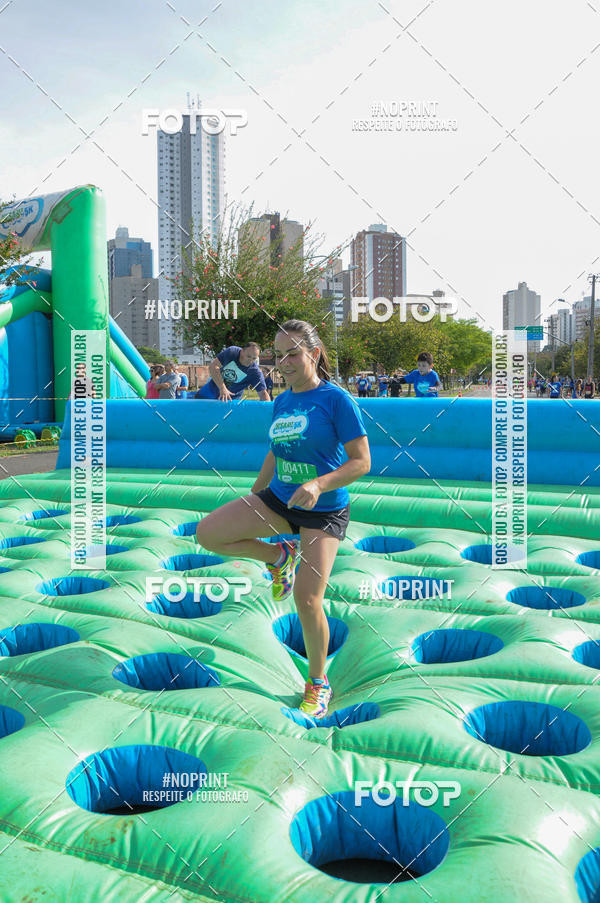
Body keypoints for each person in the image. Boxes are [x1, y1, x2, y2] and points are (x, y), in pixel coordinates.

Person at [195, 319, 371, 719]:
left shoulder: (336, 400)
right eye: (278, 355)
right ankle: (279, 557)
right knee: (208, 533)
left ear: (314, 353)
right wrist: (255, 493)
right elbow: (276, 451)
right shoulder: (282, 401)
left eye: (293, 353)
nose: (284, 362)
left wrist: (319, 484)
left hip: (323, 511)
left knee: (307, 599)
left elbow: (361, 462)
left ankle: (318, 682)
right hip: (279, 500)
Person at [195, 342, 270, 401]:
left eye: (254, 358)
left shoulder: (255, 372)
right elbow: (213, 366)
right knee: (197, 403)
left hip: (232, 398)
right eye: (248, 356)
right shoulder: (232, 353)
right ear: (242, 351)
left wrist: (268, 410)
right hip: (213, 388)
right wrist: (222, 388)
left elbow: (263, 394)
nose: (250, 360)